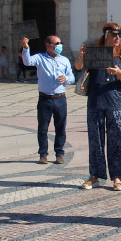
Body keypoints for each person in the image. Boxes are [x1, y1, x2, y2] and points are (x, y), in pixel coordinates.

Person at [75, 23, 121, 191]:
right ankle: (95, 175)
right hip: (95, 101)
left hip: (115, 103)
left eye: (119, 34)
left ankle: (117, 177)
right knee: (95, 141)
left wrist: (118, 73)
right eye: (114, 34)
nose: (117, 38)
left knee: (117, 140)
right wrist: (81, 57)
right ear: (106, 35)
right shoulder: (95, 53)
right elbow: (79, 67)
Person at [22, 35, 75, 165]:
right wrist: (25, 47)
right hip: (45, 99)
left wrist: (66, 79)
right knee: (43, 128)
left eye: (60, 43)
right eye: (57, 43)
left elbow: (72, 77)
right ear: (48, 45)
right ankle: (43, 154)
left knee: (60, 128)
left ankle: (59, 153)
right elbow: (27, 61)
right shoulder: (40, 58)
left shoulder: (64, 60)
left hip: (60, 98)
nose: (59, 46)